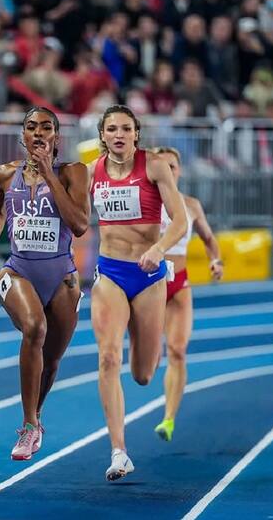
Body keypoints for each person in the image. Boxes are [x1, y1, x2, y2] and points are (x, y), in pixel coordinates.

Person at [0, 107, 89, 460]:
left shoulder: (74, 173)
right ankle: (27, 425)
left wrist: (50, 175)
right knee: (34, 329)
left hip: (63, 278)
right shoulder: (4, 175)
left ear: (56, 136)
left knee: (51, 362)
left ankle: (35, 420)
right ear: (22, 134)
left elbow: (80, 224)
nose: (38, 133)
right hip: (18, 269)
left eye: (46, 127)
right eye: (31, 127)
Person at [89, 105, 187, 481]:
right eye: (111, 128)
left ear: (135, 134)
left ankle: (136, 330)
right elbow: (77, 219)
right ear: (102, 134)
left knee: (144, 374)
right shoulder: (90, 173)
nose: (118, 134)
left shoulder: (155, 166)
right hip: (111, 272)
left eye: (125, 128)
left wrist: (159, 249)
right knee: (108, 358)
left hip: (148, 276)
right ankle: (119, 451)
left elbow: (180, 220)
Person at [150, 147, 223, 442]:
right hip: (148, 286)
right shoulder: (145, 202)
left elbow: (208, 239)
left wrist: (215, 259)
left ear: (179, 171)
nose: (168, 170)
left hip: (179, 283)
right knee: (149, 362)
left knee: (177, 351)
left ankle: (168, 418)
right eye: (162, 165)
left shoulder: (191, 205)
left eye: (173, 166)